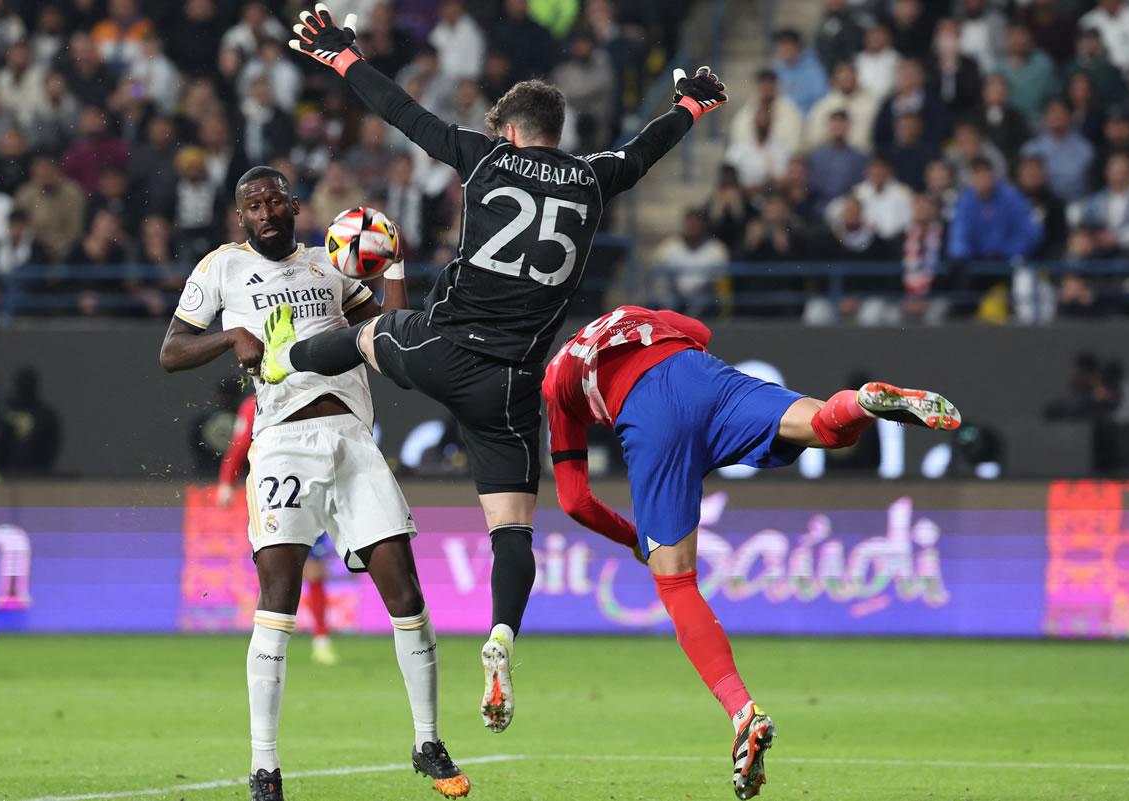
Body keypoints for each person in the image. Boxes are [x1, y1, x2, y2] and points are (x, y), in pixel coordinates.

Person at [265, 3, 727, 735]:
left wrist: (343, 58)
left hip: (442, 346)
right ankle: (502, 635)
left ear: (509, 131)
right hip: (513, 385)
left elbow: (403, 113)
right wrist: (694, 105)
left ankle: (276, 355)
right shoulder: (595, 178)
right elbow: (647, 147)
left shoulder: (484, 157)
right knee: (512, 531)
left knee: (364, 337)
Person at [542, 304, 959, 799]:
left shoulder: (554, 384)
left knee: (675, 583)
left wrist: (633, 539)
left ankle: (744, 714)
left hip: (649, 415)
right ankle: (863, 405)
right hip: (703, 377)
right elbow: (700, 331)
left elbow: (574, 501)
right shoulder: (633, 313)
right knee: (823, 426)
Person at [159, 166, 469, 801]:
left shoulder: (333, 264)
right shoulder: (221, 267)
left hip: (353, 441)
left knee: (405, 591)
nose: (266, 211)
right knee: (279, 596)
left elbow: (392, 339)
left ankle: (427, 740)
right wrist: (230, 336)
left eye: (275, 200)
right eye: (253, 205)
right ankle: (265, 767)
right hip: (281, 445)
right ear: (240, 217)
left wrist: (394, 272)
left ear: (294, 206)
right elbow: (171, 350)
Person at [217, 393, 338, 665]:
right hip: (271, 492)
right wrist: (226, 481)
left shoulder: (305, 395)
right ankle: (269, 640)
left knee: (315, 570)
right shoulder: (252, 404)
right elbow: (239, 444)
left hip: (308, 488)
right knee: (274, 567)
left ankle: (321, 639)